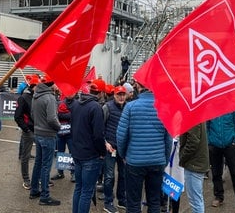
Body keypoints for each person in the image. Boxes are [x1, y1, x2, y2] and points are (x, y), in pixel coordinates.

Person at [117, 82, 172, 213]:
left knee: (133, 203)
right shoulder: (164, 108)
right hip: (157, 161)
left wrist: (123, 155)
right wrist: (164, 159)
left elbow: (121, 136)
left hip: (134, 161)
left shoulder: (130, 107)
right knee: (154, 201)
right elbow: (168, 139)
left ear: (139, 87)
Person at [69, 81, 106, 213]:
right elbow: (98, 135)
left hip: (78, 152)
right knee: (86, 191)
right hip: (90, 155)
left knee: (79, 188)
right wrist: (102, 152)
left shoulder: (77, 104)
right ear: (101, 93)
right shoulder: (96, 107)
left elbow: (73, 128)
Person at [29, 74, 61, 206]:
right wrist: (59, 127)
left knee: (38, 163)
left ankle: (34, 190)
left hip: (38, 133)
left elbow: (32, 114)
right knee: (46, 166)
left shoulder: (36, 96)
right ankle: (45, 196)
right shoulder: (50, 97)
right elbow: (52, 119)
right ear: (51, 84)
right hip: (48, 135)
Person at [207, 111, 235, 212]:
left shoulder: (232, 108)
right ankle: (218, 196)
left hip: (230, 145)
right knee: (216, 173)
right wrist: (209, 140)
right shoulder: (210, 108)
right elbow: (207, 126)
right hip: (214, 145)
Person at [102, 85, 127, 213]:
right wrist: (105, 143)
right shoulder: (107, 107)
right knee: (109, 176)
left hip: (123, 149)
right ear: (115, 95)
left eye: (123, 94)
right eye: (119, 95)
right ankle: (108, 201)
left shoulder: (128, 108)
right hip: (110, 148)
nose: (121, 97)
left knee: (123, 175)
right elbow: (100, 128)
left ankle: (122, 199)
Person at [14, 76, 40, 190]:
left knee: (41, 155)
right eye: (39, 86)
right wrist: (26, 129)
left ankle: (37, 178)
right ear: (34, 86)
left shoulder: (37, 97)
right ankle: (26, 179)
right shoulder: (23, 98)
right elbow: (17, 116)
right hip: (28, 131)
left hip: (38, 130)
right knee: (25, 156)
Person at [179, 123, 209, 213]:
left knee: (195, 200)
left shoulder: (193, 117)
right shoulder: (197, 116)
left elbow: (193, 142)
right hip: (196, 162)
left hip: (194, 163)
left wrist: (183, 157)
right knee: (196, 199)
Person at [51, 98, 75, 182]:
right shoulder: (59, 102)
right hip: (60, 132)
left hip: (71, 133)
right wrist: (68, 115)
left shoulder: (76, 104)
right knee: (60, 152)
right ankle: (60, 173)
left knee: (72, 153)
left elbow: (74, 117)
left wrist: (63, 115)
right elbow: (55, 115)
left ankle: (73, 173)